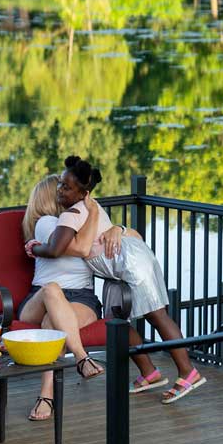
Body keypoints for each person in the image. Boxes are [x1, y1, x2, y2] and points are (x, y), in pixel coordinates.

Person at [27, 156, 205, 404]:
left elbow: (67, 248)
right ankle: (150, 373)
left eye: (66, 186)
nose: (60, 190)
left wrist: (35, 248)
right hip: (120, 267)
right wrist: (117, 228)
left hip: (129, 264)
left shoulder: (73, 215)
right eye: (60, 185)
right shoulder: (89, 208)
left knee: (157, 316)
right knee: (116, 320)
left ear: (83, 193)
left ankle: (188, 372)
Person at [18, 175, 105, 421]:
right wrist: (92, 216)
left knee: (52, 322)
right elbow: (80, 248)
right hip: (40, 298)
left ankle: (46, 396)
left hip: (81, 299)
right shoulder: (46, 223)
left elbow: (126, 234)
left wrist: (117, 230)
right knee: (52, 289)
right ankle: (81, 357)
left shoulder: (80, 222)